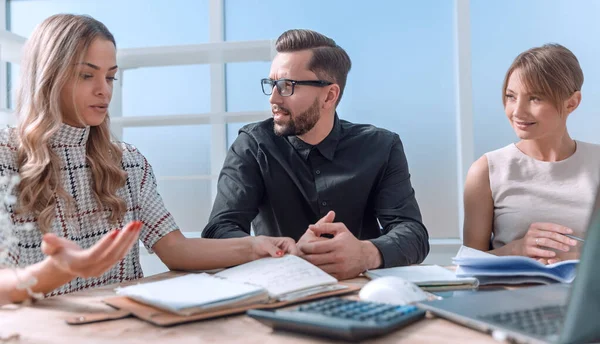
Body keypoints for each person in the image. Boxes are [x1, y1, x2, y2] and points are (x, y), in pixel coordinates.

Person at [0, 14, 297, 304]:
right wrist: (59, 271)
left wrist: (256, 246)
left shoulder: (128, 162)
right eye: (86, 75)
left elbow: (176, 249)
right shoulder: (5, 157)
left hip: (125, 329)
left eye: (110, 76)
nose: (103, 89)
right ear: (49, 76)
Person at [203, 29, 429, 280]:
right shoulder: (252, 145)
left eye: (287, 85)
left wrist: (367, 253)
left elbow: (413, 234)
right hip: (278, 290)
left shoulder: (382, 146)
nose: (274, 98)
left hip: (363, 292)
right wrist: (276, 250)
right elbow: (219, 230)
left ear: (329, 95)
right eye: (272, 85)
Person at [463, 43, 600, 264]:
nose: (517, 112)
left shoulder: (596, 164)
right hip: (510, 297)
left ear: (572, 103)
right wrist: (515, 250)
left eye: (535, 98)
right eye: (511, 96)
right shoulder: (486, 171)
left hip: (588, 297)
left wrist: (581, 257)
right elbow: (468, 264)